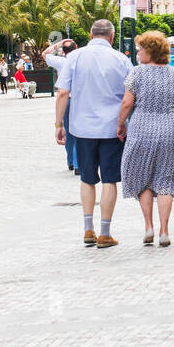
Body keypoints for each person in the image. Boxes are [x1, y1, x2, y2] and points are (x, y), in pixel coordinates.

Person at [55, 19, 130, 248]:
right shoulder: (121, 59)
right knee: (109, 179)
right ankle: (105, 232)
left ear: (90, 35)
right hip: (112, 128)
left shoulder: (75, 58)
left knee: (87, 179)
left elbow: (62, 93)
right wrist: (126, 122)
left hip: (82, 127)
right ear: (111, 36)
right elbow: (130, 94)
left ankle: (88, 229)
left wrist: (59, 124)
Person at [117, 31, 174, 247]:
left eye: (140, 49)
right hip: (170, 131)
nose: (138, 52)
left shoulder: (136, 74)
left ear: (150, 51)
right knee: (166, 183)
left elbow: (126, 103)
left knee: (142, 180)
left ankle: (148, 226)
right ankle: (165, 231)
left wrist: (120, 123)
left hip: (141, 130)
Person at [45, 38, 80, 173]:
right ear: (76, 48)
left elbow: (45, 54)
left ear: (63, 51)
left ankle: (70, 161)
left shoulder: (60, 61)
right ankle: (78, 164)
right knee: (78, 131)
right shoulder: (79, 60)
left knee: (68, 130)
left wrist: (59, 43)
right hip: (77, 99)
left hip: (65, 100)